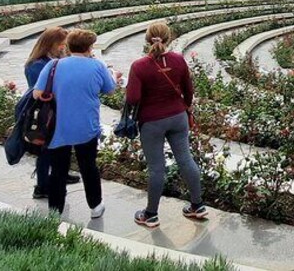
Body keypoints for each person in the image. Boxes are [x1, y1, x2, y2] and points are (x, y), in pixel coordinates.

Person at [126, 21, 207, 228]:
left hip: (152, 121)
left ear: (147, 39)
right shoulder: (178, 60)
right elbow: (189, 90)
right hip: (178, 117)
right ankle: (197, 206)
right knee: (186, 160)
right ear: (168, 38)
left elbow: (133, 98)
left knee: (156, 168)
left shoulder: (139, 66)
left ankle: (150, 214)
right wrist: (185, 107)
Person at [33, 29, 116, 217]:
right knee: (88, 166)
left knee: (58, 170)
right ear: (89, 47)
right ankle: (95, 206)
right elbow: (110, 90)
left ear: (69, 46)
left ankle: (56, 211)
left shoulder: (53, 65)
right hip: (86, 125)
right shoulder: (97, 66)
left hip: (57, 126)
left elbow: (37, 93)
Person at [21, 27, 80, 199]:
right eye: (61, 44)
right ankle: (42, 185)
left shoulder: (52, 60)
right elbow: (43, 90)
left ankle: (61, 173)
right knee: (45, 150)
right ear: (51, 44)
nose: (64, 47)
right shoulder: (37, 65)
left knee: (62, 146)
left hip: (58, 110)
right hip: (46, 112)